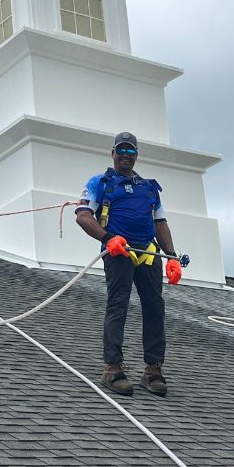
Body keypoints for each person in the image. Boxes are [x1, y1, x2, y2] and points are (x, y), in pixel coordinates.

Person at [75, 132, 182, 397]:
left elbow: (160, 223)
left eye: (131, 152)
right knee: (118, 303)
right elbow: (83, 216)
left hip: (147, 252)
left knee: (155, 306)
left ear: (137, 155)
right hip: (119, 250)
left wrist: (171, 256)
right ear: (112, 153)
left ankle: (153, 369)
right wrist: (108, 238)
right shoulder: (100, 182)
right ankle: (112, 367)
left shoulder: (149, 188)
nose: (126, 155)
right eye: (122, 151)